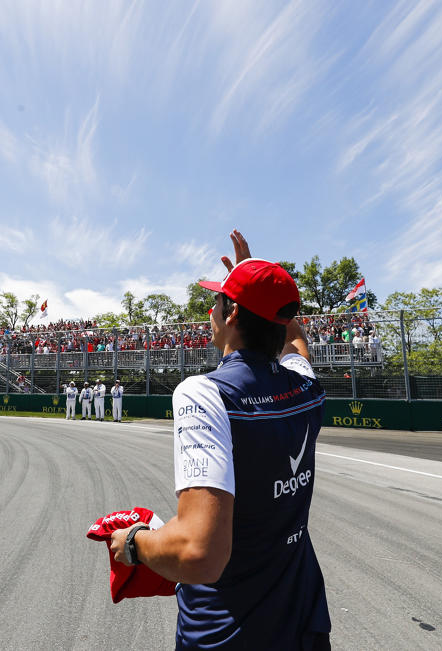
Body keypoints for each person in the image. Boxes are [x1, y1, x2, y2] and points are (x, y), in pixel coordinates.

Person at [109, 230, 331, 649]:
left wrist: (135, 543)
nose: (211, 311)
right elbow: (295, 339)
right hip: (302, 618)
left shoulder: (204, 393)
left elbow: (200, 552)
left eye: (217, 301)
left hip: (225, 631)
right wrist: (262, 283)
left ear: (230, 315)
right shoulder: (306, 385)